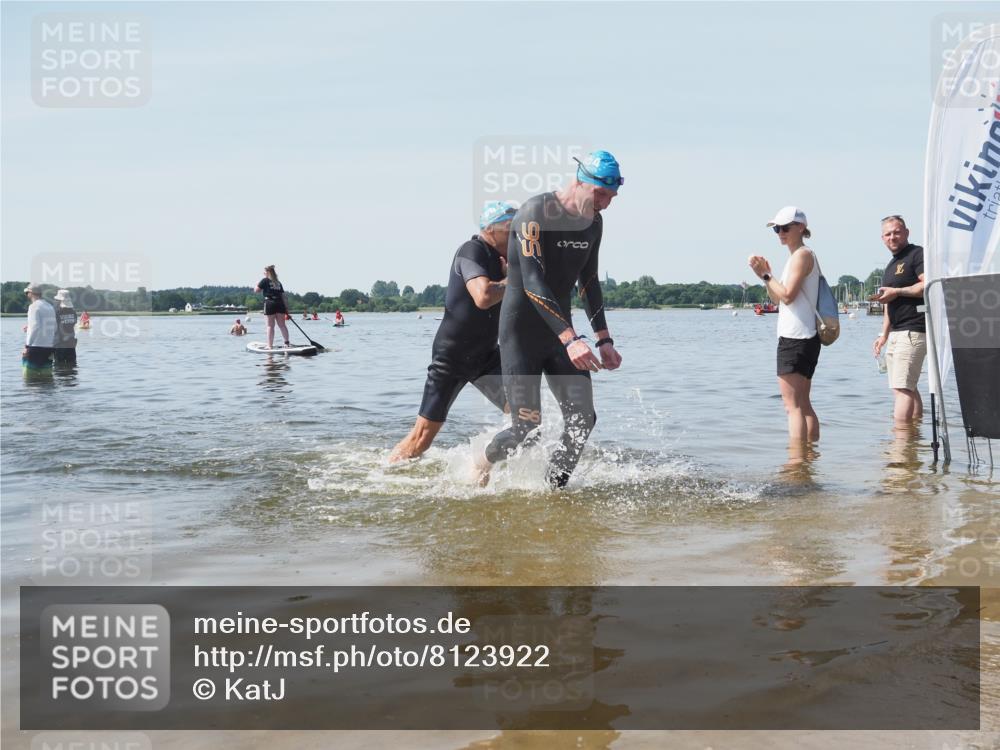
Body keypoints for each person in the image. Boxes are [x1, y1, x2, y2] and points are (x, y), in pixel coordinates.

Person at [474, 151, 624, 489]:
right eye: (600, 194)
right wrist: (571, 338)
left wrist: (603, 339)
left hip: (560, 335)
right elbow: (532, 281)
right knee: (526, 428)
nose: (605, 203)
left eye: (611, 197)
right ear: (579, 182)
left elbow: (589, 282)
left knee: (583, 419)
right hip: (521, 334)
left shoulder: (594, 223)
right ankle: (481, 460)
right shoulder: (535, 213)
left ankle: (553, 490)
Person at [390, 201, 517, 462]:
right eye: (511, 229)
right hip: (452, 357)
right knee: (421, 440)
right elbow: (482, 296)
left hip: (486, 356)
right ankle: (384, 474)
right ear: (491, 229)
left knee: (526, 415)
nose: (518, 235)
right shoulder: (472, 250)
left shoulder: (505, 261)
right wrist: (514, 279)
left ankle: (483, 462)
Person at [749, 206, 821, 443]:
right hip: (805, 336)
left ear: (801, 227)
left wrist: (767, 275)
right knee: (802, 403)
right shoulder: (797, 256)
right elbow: (777, 299)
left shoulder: (802, 255)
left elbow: (787, 295)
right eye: (777, 229)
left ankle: (797, 463)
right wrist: (766, 276)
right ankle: (809, 458)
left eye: (785, 227)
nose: (780, 232)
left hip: (796, 336)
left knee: (793, 406)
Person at [871, 215, 926, 424]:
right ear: (882, 238)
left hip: (913, 329)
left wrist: (898, 291)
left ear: (906, 233)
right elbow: (888, 302)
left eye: (896, 232)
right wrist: (883, 334)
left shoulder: (917, 254)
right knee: (905, 387)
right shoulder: (891, 266)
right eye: (888, 234)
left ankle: (900, 443)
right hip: (897, 331)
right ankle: (913, 436)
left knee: (902, 388)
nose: (892, 237)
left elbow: (927, 284)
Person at [21, 284, 57, 373]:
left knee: (30, 380)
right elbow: (54, 326)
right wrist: (29, 328)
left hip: (35, 347)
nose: (26, 295)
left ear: (31, 293)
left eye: (27, 293)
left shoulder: (33, 306)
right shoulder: (49, 306)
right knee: (47, 379)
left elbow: (35, 327)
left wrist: (27, 346)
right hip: (49, 347)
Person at [254, 265, 291, 348]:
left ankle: (269, 346)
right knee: (282, 325)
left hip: (270, 303)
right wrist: (287, 310)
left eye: (264, 272)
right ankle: (286, 343)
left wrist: (256, 284)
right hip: (280, 303)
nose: (263, 273)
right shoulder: (278, 282)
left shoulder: (265, 280)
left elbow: (256, 290)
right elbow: (284, 296)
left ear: (267, 272)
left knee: (270, 326)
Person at [53, 289, 78, 365]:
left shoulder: (57, 312)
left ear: (60, 301)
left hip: (60, 344)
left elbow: (53, 327)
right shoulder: (73, 312)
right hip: (71, 344)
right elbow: (74, 323)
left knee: (58, 368)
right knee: (72, 367)